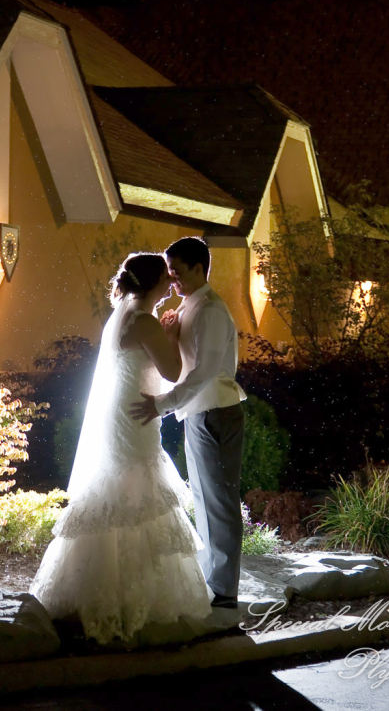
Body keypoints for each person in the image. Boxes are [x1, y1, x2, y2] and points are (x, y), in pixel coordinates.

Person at [29, 252, 213, 644]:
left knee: (118, 491)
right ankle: (134, 600)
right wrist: (175, 335)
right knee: (137, 490)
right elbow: (172, 372)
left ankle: (94, 591)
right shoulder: (144, 320)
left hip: (124, 411)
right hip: (136, 415)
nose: (171, 282)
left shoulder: (124, 314)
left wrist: (162, 335)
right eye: (166, 277)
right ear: (151, 283)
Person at [130, 237, 247, 610]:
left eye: (177, 271)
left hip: (215, 413)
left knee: (219, 500)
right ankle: (216, 581)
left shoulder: (210, 310)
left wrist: (164, 405)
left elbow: (206, 371)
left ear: (199, 268)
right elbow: (182, 365)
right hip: (199, 412)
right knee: (205, 498)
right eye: (170, 272)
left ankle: (225, 591)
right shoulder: (189, 308)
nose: (173, 279)